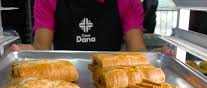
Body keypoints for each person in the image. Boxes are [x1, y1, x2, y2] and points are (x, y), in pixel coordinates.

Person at [8, 0, 146, 52]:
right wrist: (24, 53)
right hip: (63, 78)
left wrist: (156, 56)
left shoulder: (129, 2)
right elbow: (41, 49)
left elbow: (137, 50)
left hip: (112, 77)